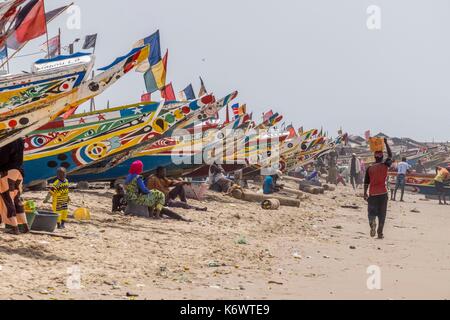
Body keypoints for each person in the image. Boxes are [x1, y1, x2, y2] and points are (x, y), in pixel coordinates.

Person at [125, 161, 189, 221]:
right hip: (137, 199)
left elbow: (170, 182)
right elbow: (144, 189)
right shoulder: (140, 177)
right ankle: (158, 215)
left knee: (157, 196)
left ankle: (154, 212)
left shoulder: (128, 176)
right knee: (160, 195)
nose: (142, 169)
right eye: (141, 167)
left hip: (130, 198)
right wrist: (150, 192)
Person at [364, 138, 393, 240]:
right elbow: (390, 155)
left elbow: (366, 182)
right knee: (382, 214)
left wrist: (364, 193)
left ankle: (372, 222)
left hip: (372, 194)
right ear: (382, 158)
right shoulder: (385, 165)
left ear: (374, 157)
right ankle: (380, 233)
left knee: (371, 213)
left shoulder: (369, 168)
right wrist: (386, 143)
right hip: (383, 193)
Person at [0, 139, 30, 235]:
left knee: (7, 199)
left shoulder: (7, 139)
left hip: (9, 172)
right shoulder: (19, 139)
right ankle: (25, 226)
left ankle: (15, 228)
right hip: (19, 172)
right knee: (17, 199)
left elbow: (3, 159)